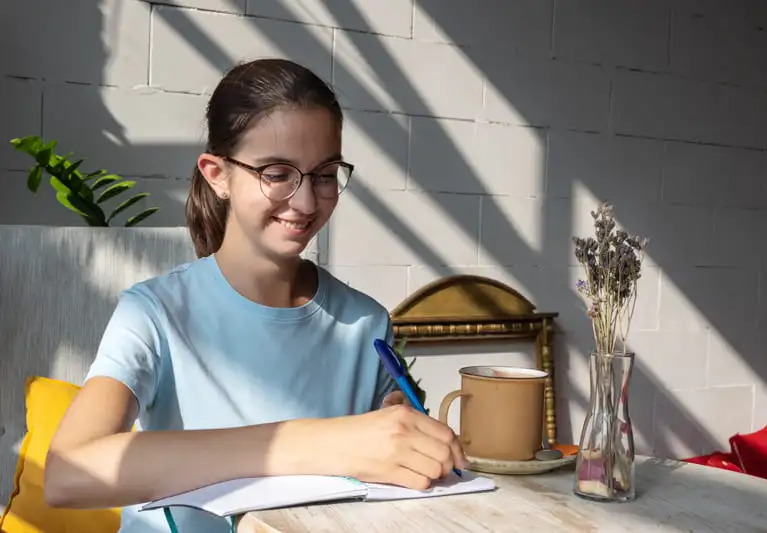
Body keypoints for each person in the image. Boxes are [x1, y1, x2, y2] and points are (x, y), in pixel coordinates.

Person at [44, 58, 467, 533]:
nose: (306, 203)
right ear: (217, 174)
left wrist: (406, 438)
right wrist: (315, 443)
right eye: (277, 172)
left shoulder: (365, 322)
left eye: (325, 174)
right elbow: (67, 473)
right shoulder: (155, 312)